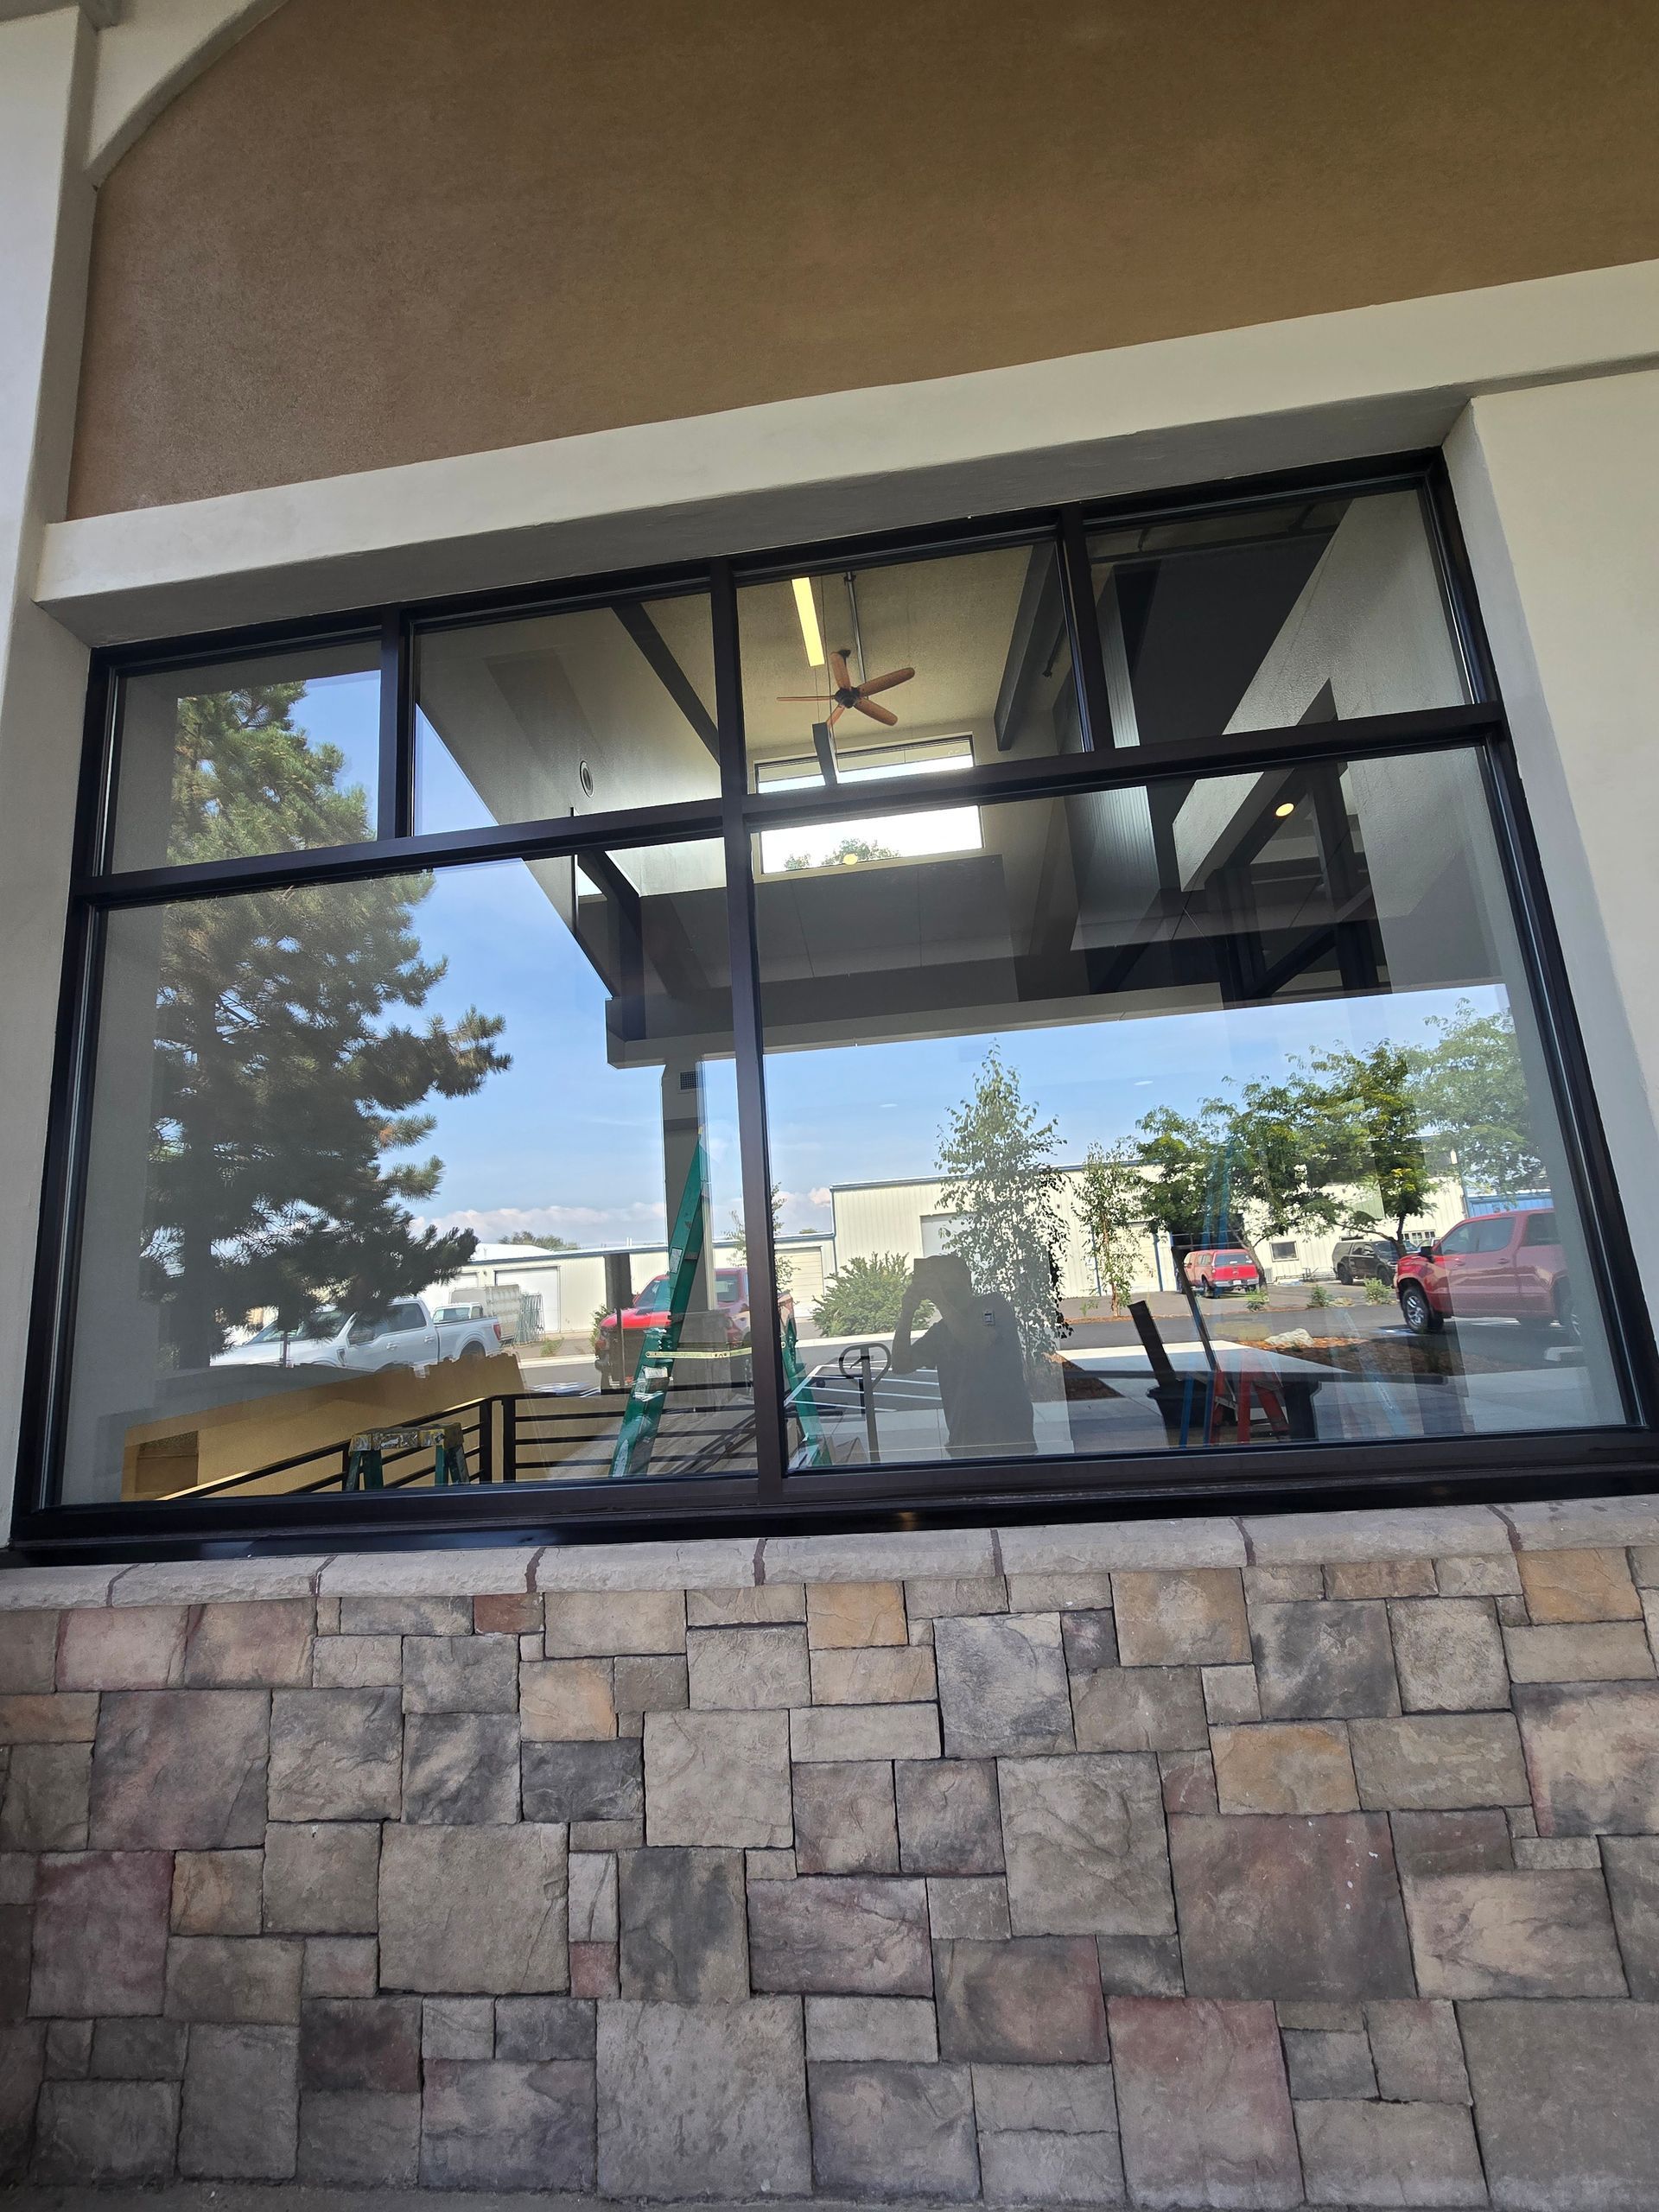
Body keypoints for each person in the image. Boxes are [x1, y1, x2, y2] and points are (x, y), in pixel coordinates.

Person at [890, 1253, 1035, 1458]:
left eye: (943, 1274)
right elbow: (901, 1364)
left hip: (1009, 1438)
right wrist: (907, 1313)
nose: (939, 1281)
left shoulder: (993, 1305)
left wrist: (940, 1300)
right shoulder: (940, 1332)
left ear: (965, 1276)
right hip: (965, 1441)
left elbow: (977, 1342)